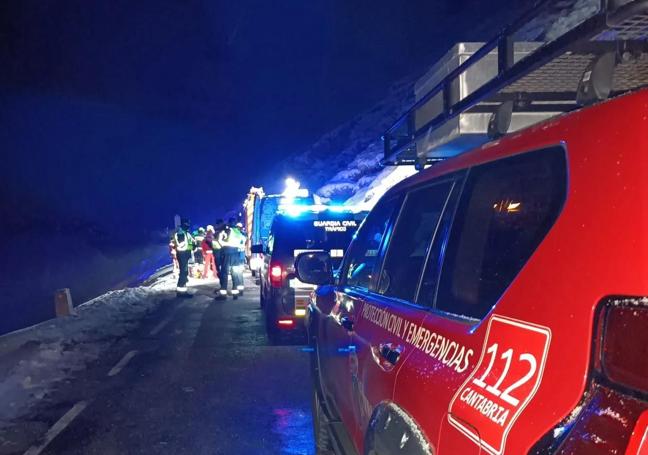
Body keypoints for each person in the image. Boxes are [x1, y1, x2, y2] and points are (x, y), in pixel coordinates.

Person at [174, 220, 194, 294]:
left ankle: (183, 289)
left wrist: (193, 245)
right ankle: (181, 291)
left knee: (184, 272)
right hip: (182, 253)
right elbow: (181, 243)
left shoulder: (186, 233)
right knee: (183, 272)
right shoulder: (181, 232)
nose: (188, 225)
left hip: (185, 254)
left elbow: (190, 242)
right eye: (187, 224)